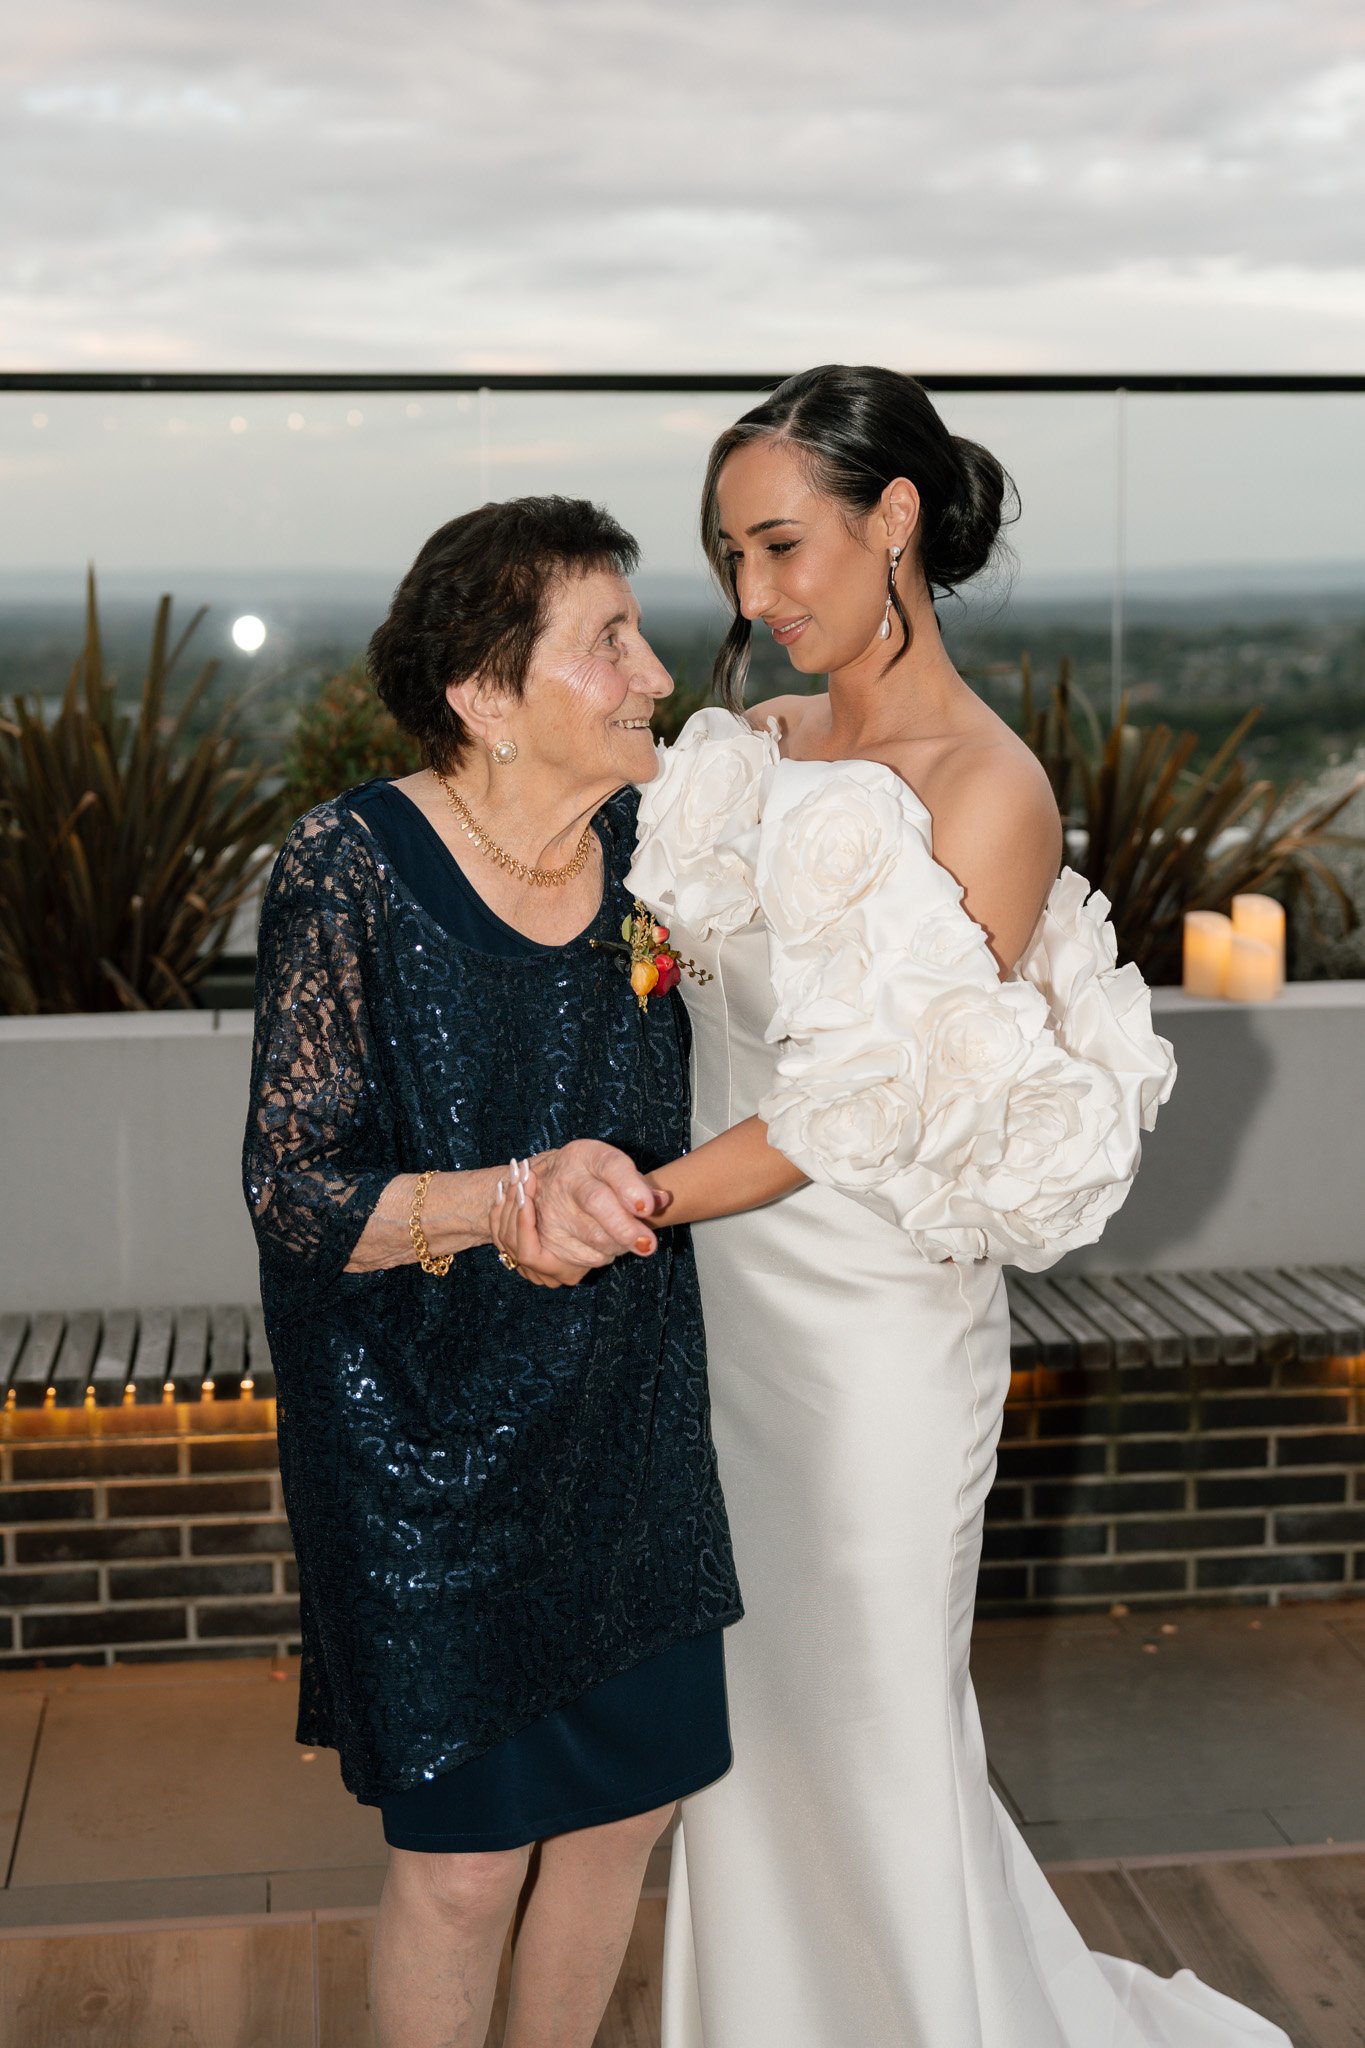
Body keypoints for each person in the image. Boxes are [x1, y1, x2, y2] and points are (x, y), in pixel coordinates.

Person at [492, 369, 1289, 2045]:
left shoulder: (986, 791)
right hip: (708, 1314)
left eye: (783, 544)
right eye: (729, 556)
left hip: (863, 1339)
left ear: (894, 520)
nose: (758, 596)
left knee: (867, 1716)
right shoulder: (750, 751)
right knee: (753, 1730)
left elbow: (857, 1113)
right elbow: (648, 975)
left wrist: (626, 1199)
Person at [242, 495, 741, 2048]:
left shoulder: (667, 858)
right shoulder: (348, 867)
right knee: (462, 1875)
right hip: (419, 1449)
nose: (651, 671)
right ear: (483, 694)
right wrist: (504, 1196)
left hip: (624, 1420)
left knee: (620, 1825)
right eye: (604, 644)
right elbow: (294, 1192)